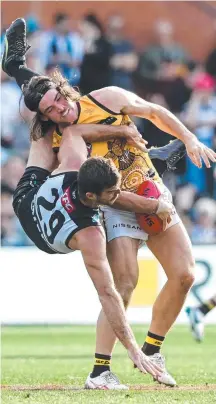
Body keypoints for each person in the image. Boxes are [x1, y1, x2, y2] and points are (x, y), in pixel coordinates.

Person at [2, 18, 216, 389]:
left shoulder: (106, 98)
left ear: (66, 89)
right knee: (125, 283)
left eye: (59, 102)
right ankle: (100, 370)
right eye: (49, 111)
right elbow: (51, 113)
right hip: (115, 203)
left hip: (148, 187)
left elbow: (154, 112)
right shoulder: (57, 136)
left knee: (184, 276)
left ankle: (152, 349)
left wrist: (190, 138)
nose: (59, 112)